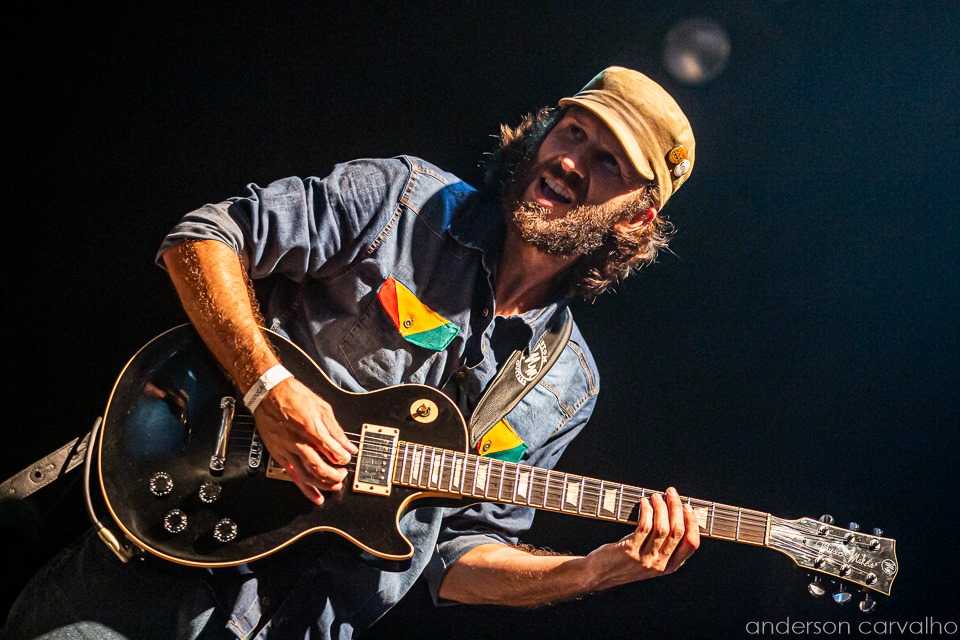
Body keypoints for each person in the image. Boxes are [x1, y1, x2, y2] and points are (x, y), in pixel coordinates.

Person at [5, 66, 700, 639]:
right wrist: (266, 386)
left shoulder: (567, 383)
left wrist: (591, 572)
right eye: (571, 130)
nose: (568, 160)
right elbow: (204, 237)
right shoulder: (404, 202)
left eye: (607, 162)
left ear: (637, 216)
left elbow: (453, 559)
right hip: (154, 571)